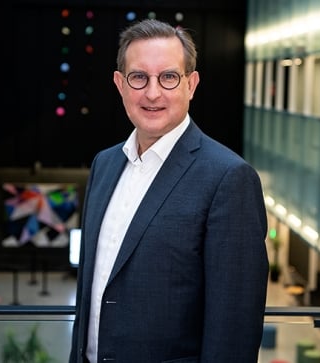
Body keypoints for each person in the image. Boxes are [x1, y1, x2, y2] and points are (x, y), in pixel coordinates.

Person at [69, 18, 269, 363]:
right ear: (120, 84)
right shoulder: (104, 164)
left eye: (168, 77)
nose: (152, 93)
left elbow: (234, 329)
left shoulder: (229, 178)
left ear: (191, 84)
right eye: (139, 77)